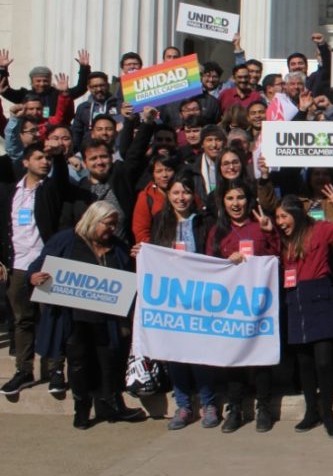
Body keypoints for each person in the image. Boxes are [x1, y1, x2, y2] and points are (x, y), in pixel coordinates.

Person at [26, 202, 145, 428]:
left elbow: (130, 276)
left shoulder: (118, 246)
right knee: (79, 363)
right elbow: (38, 265)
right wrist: (33, 276)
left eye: (114, 225)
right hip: (74, 318)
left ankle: (112, 404)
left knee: (108, 361)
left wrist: (139, 257)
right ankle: (81, 408)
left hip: (107, 319)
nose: (112, 229)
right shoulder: (66, 241)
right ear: (93, 220)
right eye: (108, 225)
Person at [274, 190, 333, 439]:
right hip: (294, 300)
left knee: (324, 361)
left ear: (295, 215)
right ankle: (311, 411)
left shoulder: (320, 229)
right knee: (305, 364)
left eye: (283, 217)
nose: (280, 222)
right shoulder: (281, 239)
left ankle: (328, 414)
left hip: (321, 298)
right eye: (277, 218)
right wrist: (270, 229)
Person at [144, 174, 221, 430]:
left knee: (201, 353)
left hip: (200, 297)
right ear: (168, 195)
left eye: (186, 192)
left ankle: (209, 403)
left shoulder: (204, 221)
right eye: (176, 193)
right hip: (172, 298)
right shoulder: (161, 221)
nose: (181, 198)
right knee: (175, 354)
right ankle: (183, 404)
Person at [205, 180, 281, 433]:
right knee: (234, 358)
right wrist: (226, 262)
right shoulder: (217, 231)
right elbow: (209, 265)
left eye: (240, 198)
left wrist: (270, 232)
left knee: (261, 357)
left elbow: (277, 257)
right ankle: (235, 408)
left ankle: (264, 407)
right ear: (222, 203)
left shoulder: (259, 227)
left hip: (259, 305)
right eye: (230, 199)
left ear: (249, 201)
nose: (236, 204)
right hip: (231, 306)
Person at [0, 142, 71, 396]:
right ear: (25, 162)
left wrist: (59, 156)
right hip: (17, 265)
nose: (45, 162)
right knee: (22, 319)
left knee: (52, 317)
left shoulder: (49, 189)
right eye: (39, 158)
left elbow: (60, 179)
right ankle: (24, 370)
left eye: (47, 159)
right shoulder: (9, 192)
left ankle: (55, 371)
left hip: (45, 263)